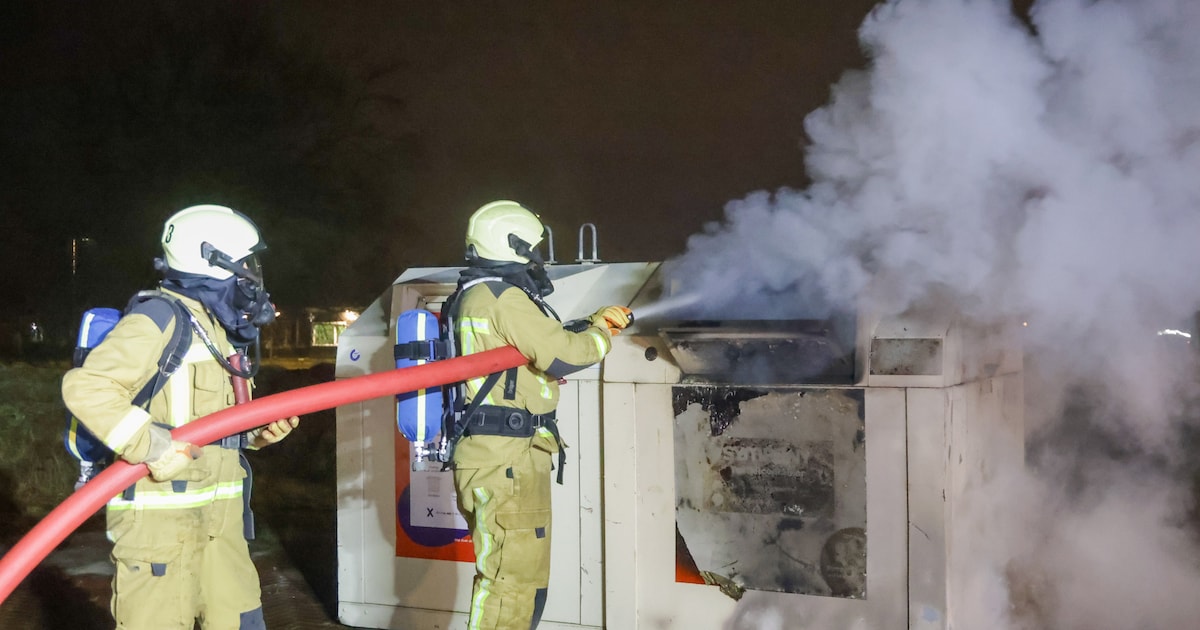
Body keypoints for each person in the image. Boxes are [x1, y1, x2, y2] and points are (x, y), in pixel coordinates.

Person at [61, 204, 299, 630]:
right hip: (159, 535)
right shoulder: (158, 319)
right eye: (245, 262)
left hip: (222, 532)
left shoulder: (218, 330)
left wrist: (259, 434)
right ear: (212, 261)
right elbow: (86, 388)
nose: (252, 273)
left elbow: (218, 425)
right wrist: (152, 446)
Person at [444, 200, 631, 629]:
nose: (536, 257)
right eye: (532, 247)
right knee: (508, 582)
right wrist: (601, 332)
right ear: (515, 244)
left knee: (523, 581)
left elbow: (533, 346)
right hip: (506, 460)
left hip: (508, 456)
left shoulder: (477, 293)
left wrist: (590, 321)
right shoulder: (503, 297)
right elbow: (565, 356)